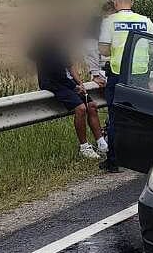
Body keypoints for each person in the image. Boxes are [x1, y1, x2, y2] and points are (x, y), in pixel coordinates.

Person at [98, 0, 153, 173]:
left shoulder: (109, 21)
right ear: (131, 2)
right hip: (140, 75)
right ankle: (142, 158)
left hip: (119, 75)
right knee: (141, 117)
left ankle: (114, 161)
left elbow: (103, 50)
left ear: (115, 3)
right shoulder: (145, 21)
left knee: (116, 118)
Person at [32, 31, 106, 159]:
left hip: (67, 82)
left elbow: (70, 65)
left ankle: (101, 143)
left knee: (92, 106)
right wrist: (75, 87)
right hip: (54, 84)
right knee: (81, 109)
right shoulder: (46, 48)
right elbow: (57, 74)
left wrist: (80, 83)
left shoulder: (62, 46)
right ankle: (84, 147)